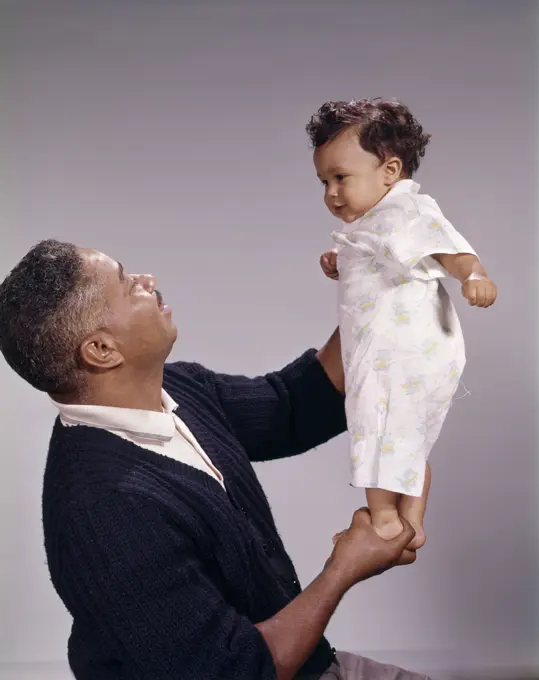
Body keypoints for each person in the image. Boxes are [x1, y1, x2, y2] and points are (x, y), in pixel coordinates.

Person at [0, 239, 432, 680]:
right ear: (102, 350)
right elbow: (234, 671)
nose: (148, 281)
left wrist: (372, 295)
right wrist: (345, 567)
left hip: (303, 663)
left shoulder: (180, 389)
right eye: (128, 285)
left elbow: (294, 406)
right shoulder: (105, 508)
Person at [307, 98, 497, 548]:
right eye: (323, 181)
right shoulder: (373, 221)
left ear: (389, 172)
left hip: (404, 352)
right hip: (392, 351)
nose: (331, 193)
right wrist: (339, 258)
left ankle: (385, 522)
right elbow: (379, 253)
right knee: (405, 436)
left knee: (376, 426)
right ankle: (411, 522)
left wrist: (474, 274)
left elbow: (450, 249)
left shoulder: (409, 212)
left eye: (340, 178)